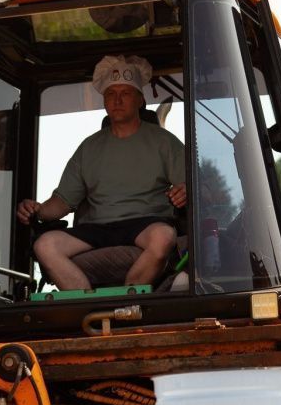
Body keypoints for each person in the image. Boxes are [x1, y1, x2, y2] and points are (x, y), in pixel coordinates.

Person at [17, 55, 187, 290]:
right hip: (97, 228)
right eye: (110, 94)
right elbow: (63, 202)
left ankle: (130, 299)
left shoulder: (164, 142)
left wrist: (185, 191)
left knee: (165, 237)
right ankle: (87, 303)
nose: (117, 100)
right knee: (45, 245)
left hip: (145, 224)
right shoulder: (89, 147)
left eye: (125, 93)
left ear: (140, 99)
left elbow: (191, 189)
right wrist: (38, 209)